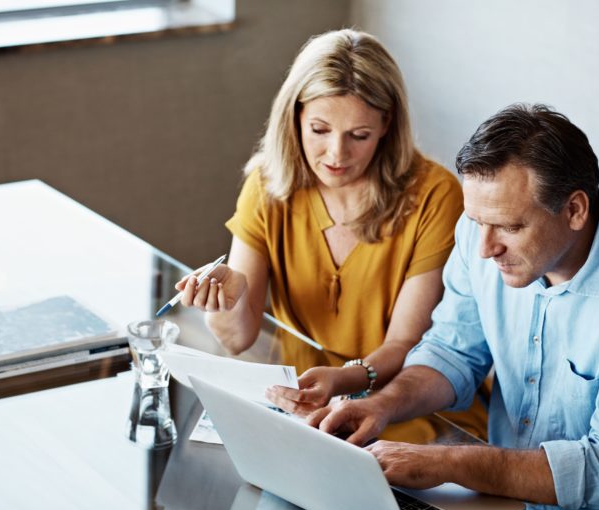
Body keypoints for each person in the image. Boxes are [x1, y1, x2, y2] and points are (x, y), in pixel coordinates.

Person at [309, 103, 599, 510]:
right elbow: (451, 351)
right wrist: (381, 405)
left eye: (511, 228)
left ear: (575, 210)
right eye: (477, 222)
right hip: (502, 501)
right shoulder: (482, 227)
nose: (485, 248)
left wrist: (449, 461)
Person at [174, 28, 487, 442]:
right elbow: (237, 338)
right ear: (296, 116)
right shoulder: (268, 186)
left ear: (386, 124)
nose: (337, 155)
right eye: (320, 130)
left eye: (359, 136)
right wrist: (225, 300)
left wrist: (343, 380)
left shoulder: (435, 196)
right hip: (306, 414)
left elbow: (408, 344)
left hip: (408, 414)